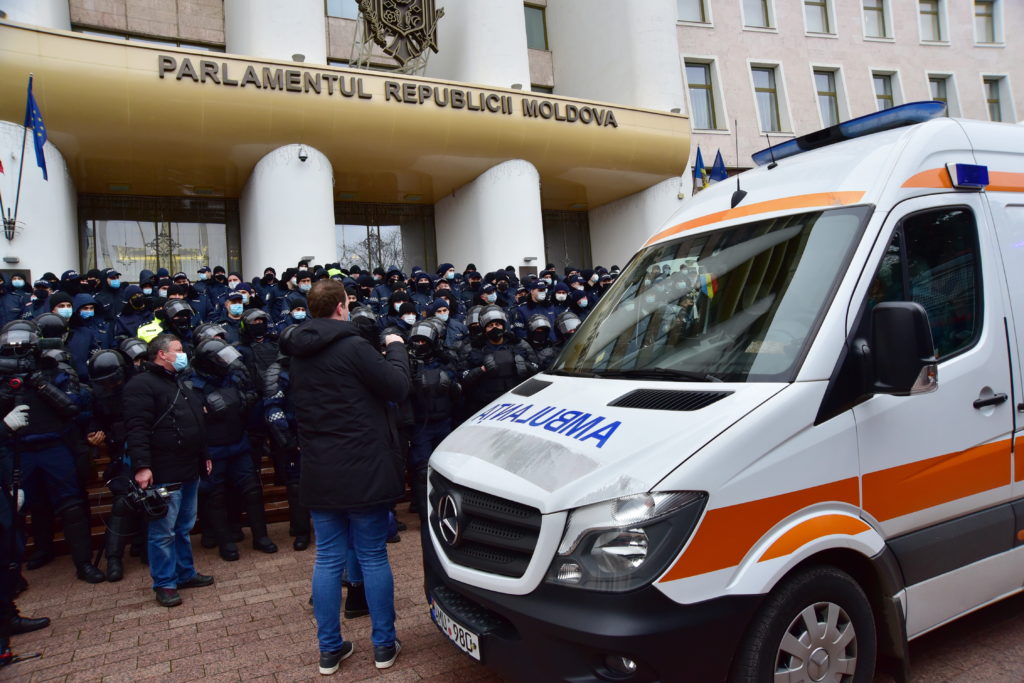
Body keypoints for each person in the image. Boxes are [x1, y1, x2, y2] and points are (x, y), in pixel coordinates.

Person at [281, 279, 409, 675]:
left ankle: (329, 649)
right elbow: (398, 386)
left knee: (327, 559)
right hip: (363, 468)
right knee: (372, 555)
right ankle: (384, 645)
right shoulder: (354, 346)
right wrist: (396, 349)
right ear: (340, 307)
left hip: (321, 469)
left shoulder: (298, 353)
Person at [123, 334, 214, 607]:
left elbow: (196, 422)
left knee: (184, 526)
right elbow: (136, 428)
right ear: (162, 354)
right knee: (163, 530)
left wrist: (204, 455)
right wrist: (142, 466)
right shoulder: (141, 385)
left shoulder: (179, 382)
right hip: (164, 470)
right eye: (178, 350)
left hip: (189, 467)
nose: (183, 353)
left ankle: (185, 573)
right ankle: (165, 582)